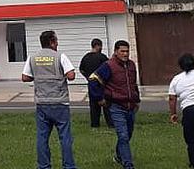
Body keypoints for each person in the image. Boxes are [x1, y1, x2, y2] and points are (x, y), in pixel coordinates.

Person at [22, 30, 77, 169]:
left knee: (42, 138)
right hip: (60, 102)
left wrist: (39, 76)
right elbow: (71, 75)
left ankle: (43, 166)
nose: (57, 43)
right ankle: (69, 166)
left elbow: (25, 77)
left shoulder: (33, 57)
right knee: (65, 137)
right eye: (56, 41)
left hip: (42, 103)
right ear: (52, 42)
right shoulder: (60, 56)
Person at [88, 40, 140, 169]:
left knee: (127, 135)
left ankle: (118, 155)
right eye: (122, 51)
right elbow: (93, 80)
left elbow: (133, 84)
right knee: (122, 135)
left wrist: (137, 99)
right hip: (116, 106)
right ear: (116, 52)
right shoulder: (108, 65)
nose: (125, 54)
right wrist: (99, 98)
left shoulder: (132, 65)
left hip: (130, 106)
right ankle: (128, 164)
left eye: (127, 51)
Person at [79, 39, 113, 129]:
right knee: (106, 105)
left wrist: (87, 77)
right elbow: (109, 69)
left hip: (91, 85)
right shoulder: (102, 57)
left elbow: (81, 69)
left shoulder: (85, 57)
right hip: (102, 85)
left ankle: (95, 125)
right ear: (98, 46)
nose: (101, 48)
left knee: (94, 106)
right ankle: (110, 124)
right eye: (100, 46)